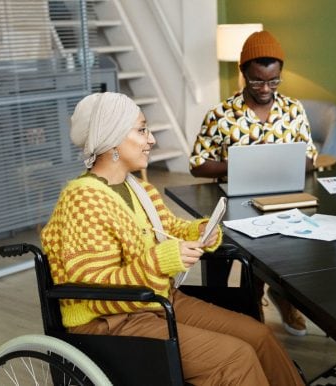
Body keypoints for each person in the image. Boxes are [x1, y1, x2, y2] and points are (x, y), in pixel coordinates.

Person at [40, 92, 305, 386]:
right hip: (110, 321)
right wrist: (162, 259)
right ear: (112, 138)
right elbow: (91, 282)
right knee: (235, 358)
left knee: (260, 335)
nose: (151, 139)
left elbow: (169, 228)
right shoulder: (82, 199)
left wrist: (200, 232)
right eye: (141, 130)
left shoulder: (138, 188)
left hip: (156, 302)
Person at [189, 30, 317, 337]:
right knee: (245, 250)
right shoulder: (220, 115)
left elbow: (311, 158)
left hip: (284, 198)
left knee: (298, 247)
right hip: (237, 201)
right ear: (244, 72)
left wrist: (278, 162)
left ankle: (282, 297)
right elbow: (196, 165)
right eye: (257, 80)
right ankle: (251, 302)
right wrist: (238, 166)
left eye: (274, 81)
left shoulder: (293, 109)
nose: (265, 88)